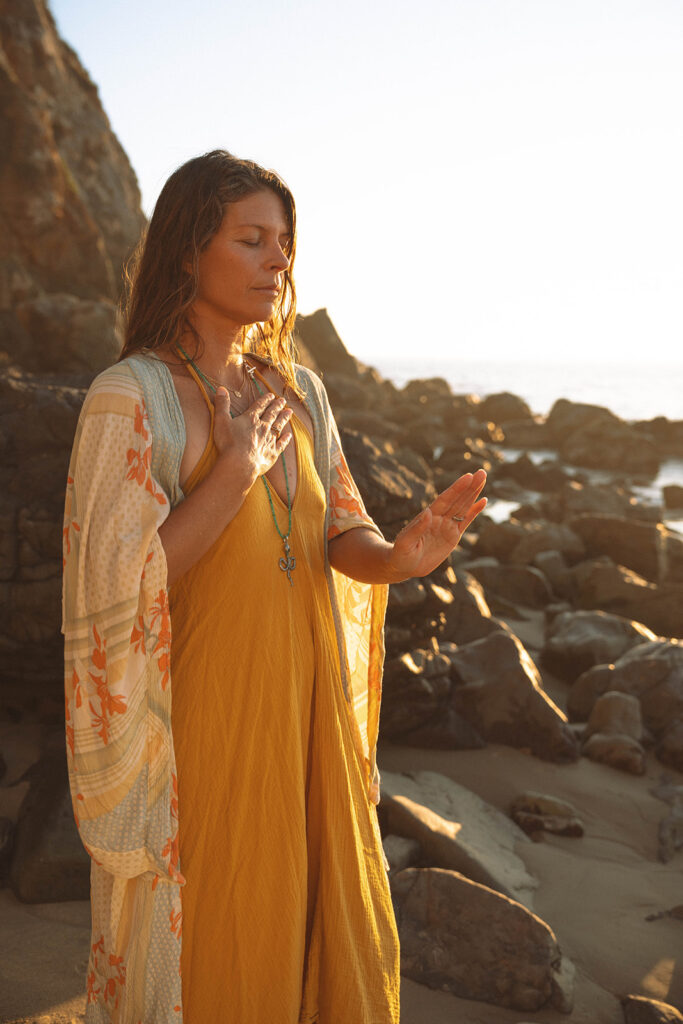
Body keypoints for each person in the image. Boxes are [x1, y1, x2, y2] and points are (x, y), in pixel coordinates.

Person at [62, 149, 487, 1024]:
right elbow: (119, 585)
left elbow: (341, 531)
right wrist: (234, 472)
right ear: (187, 250)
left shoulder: (299, 390)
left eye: (283, 241)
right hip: (203, 724)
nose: (278, 261)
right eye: (251, 239)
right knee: (218, 935)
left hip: (307, 712)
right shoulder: (129, 397)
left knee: (315, 929)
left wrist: (401, 556)